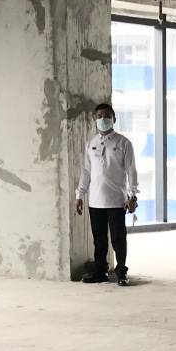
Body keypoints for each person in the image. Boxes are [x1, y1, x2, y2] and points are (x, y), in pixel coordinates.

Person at [76, 102, 139, 286]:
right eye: (99, 116)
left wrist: (132, 196)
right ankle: (100, 272)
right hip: (95, 201)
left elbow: (131, 171)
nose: (103, 119)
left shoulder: (123, 143)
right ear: (95, 119)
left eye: (107, 116)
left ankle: (121, 272)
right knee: (99, 240)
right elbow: (86, 172)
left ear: (114, 119)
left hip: (117, 201)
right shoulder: (91, 144)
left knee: (118, 239)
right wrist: (79, 195)